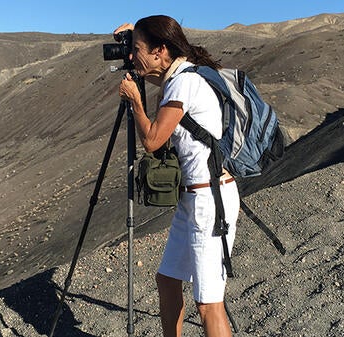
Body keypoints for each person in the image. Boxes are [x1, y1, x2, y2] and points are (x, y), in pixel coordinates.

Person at [116, 15, 240, 337]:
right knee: (168, 279)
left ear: (159, 51)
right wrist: (133, 35)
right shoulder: (179, 78)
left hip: (210, 201)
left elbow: (154, 140)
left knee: (208, 304)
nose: (134, 56)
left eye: (138, 49)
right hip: (194, 198)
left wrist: (136, 102)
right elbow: (164, 82)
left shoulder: (184, 83)